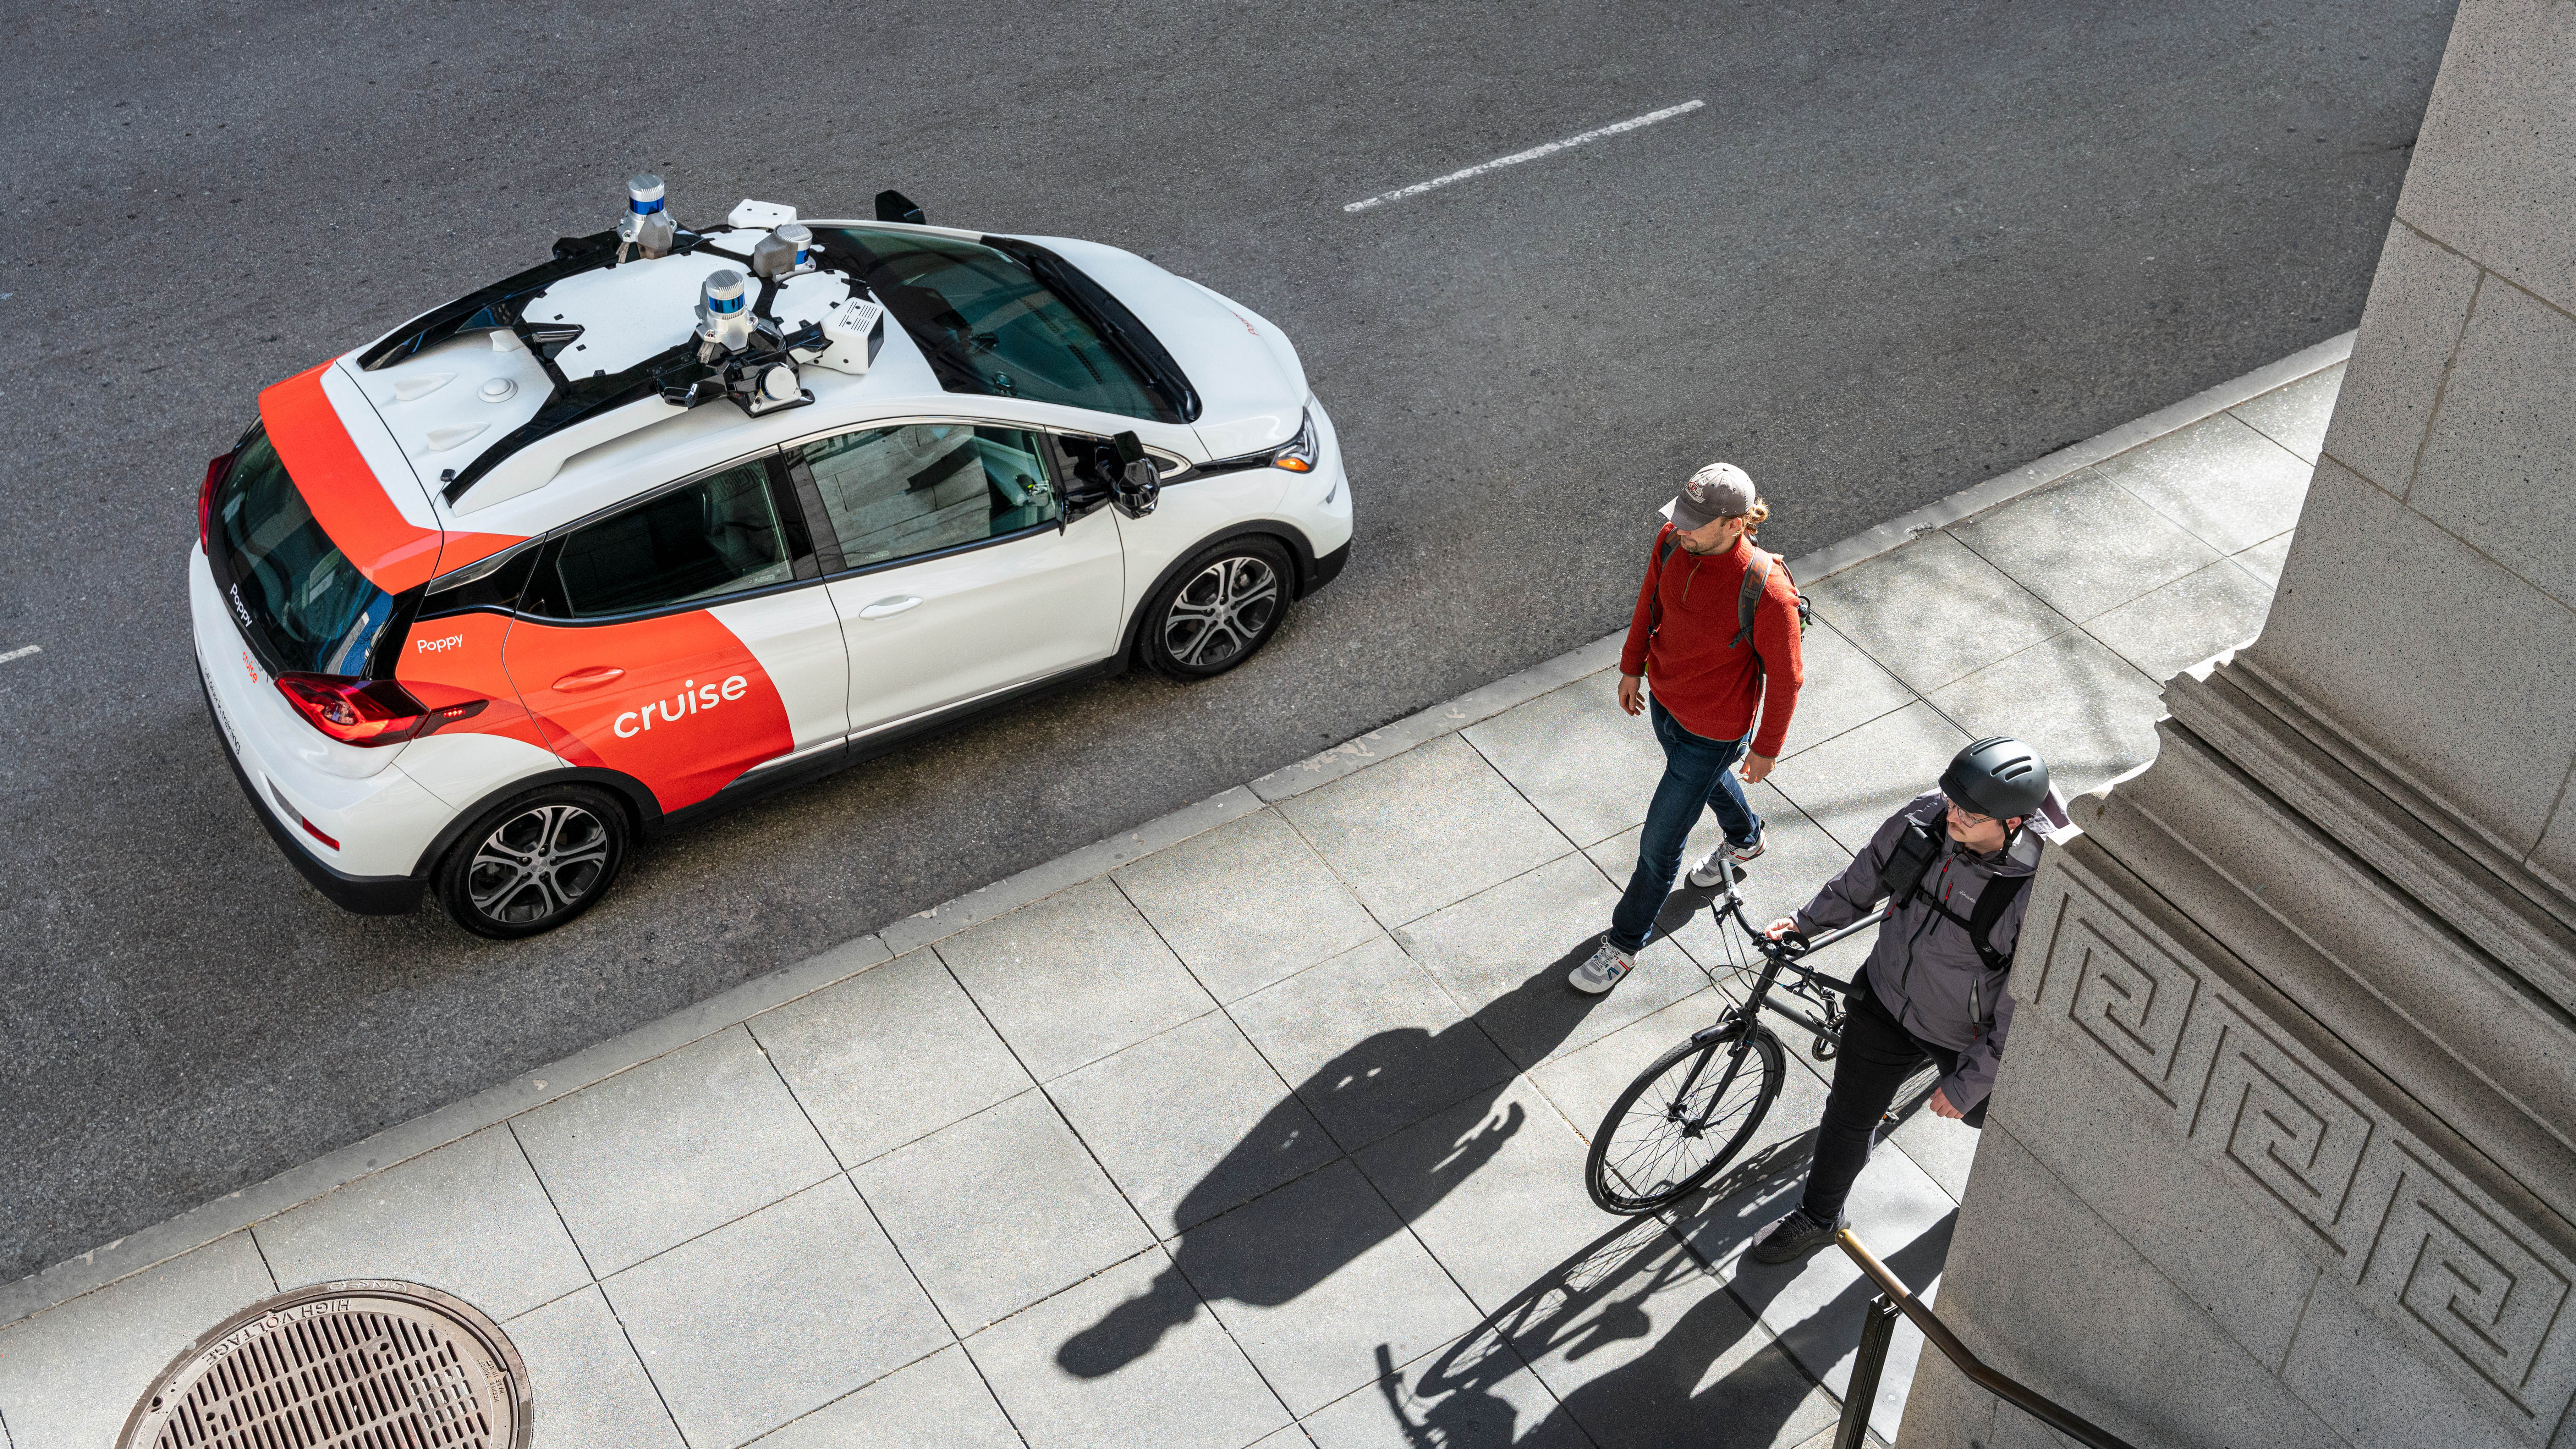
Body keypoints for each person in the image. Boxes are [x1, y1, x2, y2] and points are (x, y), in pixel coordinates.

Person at [1744, 737, 2053, 1263]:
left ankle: (2014, 1202)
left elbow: (2022, 1006)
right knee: (1847, 1116)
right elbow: (1866, 876)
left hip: (1966, 1037)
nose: (1953, 815)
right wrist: (1804, 923)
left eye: (1970, 814)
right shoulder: (1928, 819)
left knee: (2005, 1127)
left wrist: (1967, 1085)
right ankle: (1819, 1217)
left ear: (2013, 824)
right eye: (1952, 800)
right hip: (1886, 997)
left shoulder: (2036, 893)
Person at [1571, 462, 1805, 995]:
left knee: (1660, 844)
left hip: (1714, 732)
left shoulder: (1768, 593)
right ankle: (1746, 839)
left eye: (1695, 522)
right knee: (1700, 781)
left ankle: (1624, 945)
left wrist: (1766, 749)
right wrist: (1633, 666)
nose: (1680, 527)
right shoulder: (1673, 542)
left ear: (1735, 524)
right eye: (1679, 515)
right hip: (1665, 704)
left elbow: (1788, 680)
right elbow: (1648, 603)